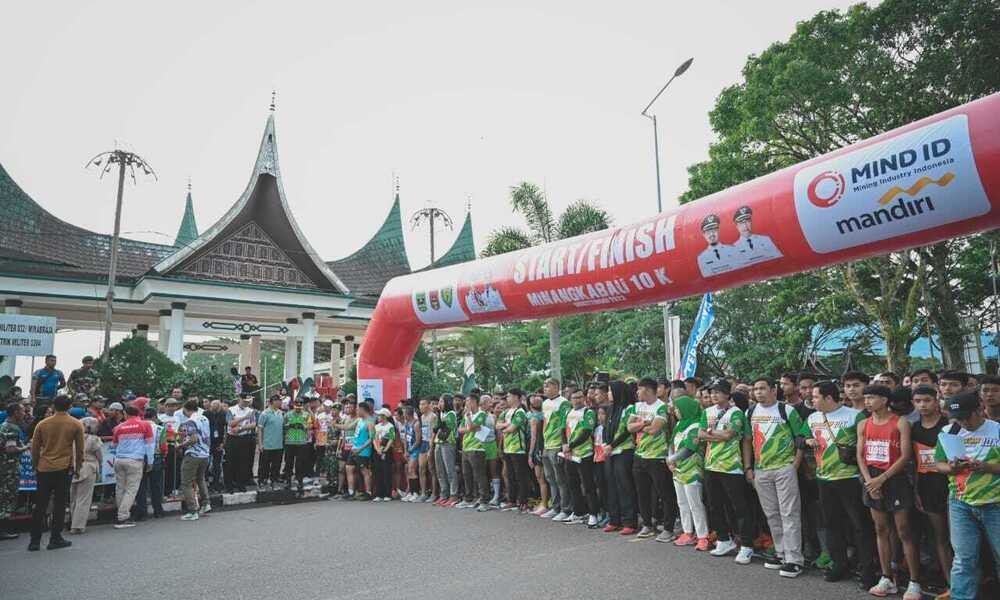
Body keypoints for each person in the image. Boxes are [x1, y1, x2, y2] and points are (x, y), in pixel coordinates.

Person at [806, 380, 877, 589]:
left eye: (816, 396)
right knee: (831, 524)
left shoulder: (855, 416)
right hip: (824, 479)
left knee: (860, 525)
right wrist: (807, 441)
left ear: (829, 397)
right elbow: (801, 437)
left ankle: (867, 569)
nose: (812, 400)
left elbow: (867, 445)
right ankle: (839, 564)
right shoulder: (812, 417)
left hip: (850, 479)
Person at [934, 390, 1000, 600]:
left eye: (966, 417)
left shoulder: (997, 430)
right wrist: (951, 468)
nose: (963, 423)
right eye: (958, 418)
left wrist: (987, 467)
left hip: (995, 503)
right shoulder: (949, 432)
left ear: (979, 409)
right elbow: (939, 463)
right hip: (960, 502)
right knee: (963, 559)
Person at [857, 385, 921, 599]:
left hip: (895, 478)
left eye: (871, 397)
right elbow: (860, 455)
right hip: (872, 479)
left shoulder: (900, 422)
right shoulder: (863, 424)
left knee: (904, 531)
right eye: (866, 397)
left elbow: (905, 456)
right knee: (881, 529)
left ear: (884, 400)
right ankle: (886, 577)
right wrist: (870, 482)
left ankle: (914, 581)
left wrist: (882, 479)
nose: (867, 401)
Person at [745, 377, 805, 577]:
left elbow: (800, 439)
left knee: (789, 513)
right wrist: (748, 467)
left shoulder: (786, 410)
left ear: (773, 390)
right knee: (772, 514)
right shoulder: (750, 412)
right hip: (761, 470)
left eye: (762, 388)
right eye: (755, 389)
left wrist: (794, 465)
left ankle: (794, 559)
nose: (758, 392)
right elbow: (747, 440)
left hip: (784, 469)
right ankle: (781, 553)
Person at [698, 378, 754, 562]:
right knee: (714, 505)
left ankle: (746, 545)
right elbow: (700, 434)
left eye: (717, 392)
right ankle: (724, 539)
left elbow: (730, 434)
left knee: (739, 507)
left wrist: (710, 433)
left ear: (727, 394)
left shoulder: (736, 413)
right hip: (711, 465)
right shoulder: (707, 412)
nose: (713, 395)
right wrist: (716, 435)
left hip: (731, 467)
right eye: (711, 392)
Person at [910, 385, 952, 597]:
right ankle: (951, 584)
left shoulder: (949, 425)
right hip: (927, 486)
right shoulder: (914, 428)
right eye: (918, 401)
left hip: (952, 484)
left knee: (960, 540)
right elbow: (915, 462)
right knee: (940, 537)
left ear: (937, 401)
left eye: (927, 400)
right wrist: (916, 490)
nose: (923, 405)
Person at [29, 394, 83, 551]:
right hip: (64, 468)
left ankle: (34, 541)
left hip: (44, 467)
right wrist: (78, 467)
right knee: (59, 504)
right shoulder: (75, 424)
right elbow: (80, 449)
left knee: (40, 504)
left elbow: (35, 448)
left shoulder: (43, 424)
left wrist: (35, 465)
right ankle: (55, 538)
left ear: (53, 406)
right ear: (70, 406)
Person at [630, 377, 675, 541]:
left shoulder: (661, 407)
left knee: (665, 493)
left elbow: (654, 429)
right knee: (642, 492)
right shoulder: (637, 406)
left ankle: (668, 528)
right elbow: (629, 427)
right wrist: (645, 423)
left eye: (639, 389)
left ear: (648, 390)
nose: (637, 392)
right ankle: (647, 524)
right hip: (640, 455)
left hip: (658, 456)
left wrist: (640, 425)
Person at [666, 393, 709, 550]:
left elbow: (690, 448)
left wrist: (671, 459)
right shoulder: (679, 425)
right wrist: (670, 459)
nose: (676, 412)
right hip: (678, 470)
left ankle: (703, 536)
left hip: (692, 470)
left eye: (678, 409)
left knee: (695, 503)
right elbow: (671, 443)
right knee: (682, 503)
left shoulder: (696, 425)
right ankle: (687, 532)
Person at [110, 404, 154, 529]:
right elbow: (149, 445)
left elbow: (113, 446)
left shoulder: (118, 427)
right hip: (135, 460)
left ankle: (121, 515)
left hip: (119, 460)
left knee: (120, 488)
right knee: (131, 490)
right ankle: (123, 517)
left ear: (125, 414)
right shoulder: (145, 425)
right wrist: (150, 462)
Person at [603, 381, 638, 535]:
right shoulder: (611, 408)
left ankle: (629, 521)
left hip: (624, 450)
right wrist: (606, 444)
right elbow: (607, 428)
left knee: (625, 487)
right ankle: (614, 520)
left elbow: (626, 431)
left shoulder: (629, 408)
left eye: (610, 391)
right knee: (612, 487)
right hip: (610, 451)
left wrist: (612, 445)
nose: (608, 394)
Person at [563, 389, 600, 527]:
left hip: (585, 454)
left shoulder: (588, 412)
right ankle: (579, 512)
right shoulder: (568, 412)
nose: (577, 400)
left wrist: (570, 445)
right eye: (574, 398)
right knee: (573, 485)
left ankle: (593, 514)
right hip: (570, 455)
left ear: (584, 398)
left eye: (579, 397)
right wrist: (565, 446)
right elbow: (563, 430)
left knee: (588, 485)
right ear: (570, 400)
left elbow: (586, 432)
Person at [540, 378, 572, 521]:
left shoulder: (564, 403)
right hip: (547, 445)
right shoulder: (545, 403)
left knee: (561, 479)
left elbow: (565, 425)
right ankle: (556, 507)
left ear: (555, 387)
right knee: (550, 478)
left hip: (557, 444)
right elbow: (545, 424)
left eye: (547, 386)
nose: (545, 388)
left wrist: (563, 444)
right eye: (544, 386)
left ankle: (566, 509)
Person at [176, 400, 211, 521]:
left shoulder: (190, 421)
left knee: (186, 483)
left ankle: (192, 510)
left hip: (193, 454)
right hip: (205, 454)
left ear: (186, 409)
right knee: (200, 479)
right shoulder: (204, 418)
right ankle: (206, 504)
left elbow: (194, 439)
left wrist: (181, 446)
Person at [68, 417, 103, 534]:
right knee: (84, 499)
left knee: (73, 498)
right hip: (88, 467)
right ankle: (78, 526)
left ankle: (73, 522)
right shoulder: (94, 439)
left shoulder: (72, 438)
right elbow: (99, 455)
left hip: (74, 467)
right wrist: (100, 465)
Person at [498, 388, 531, 512]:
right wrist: (506, 425)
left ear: (516, 397)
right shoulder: (506, 412)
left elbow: (512, 428)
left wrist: (505, 428)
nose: (507, 398)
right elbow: (497, 425)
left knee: (520, 477)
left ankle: (523, 501)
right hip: (507, 448)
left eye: (509, 396)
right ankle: (512, 500)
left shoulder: (520, 412)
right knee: (510, 476)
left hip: (518, 449)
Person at [1, 402, 30, 540]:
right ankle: (3, 529)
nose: (24, 414)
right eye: (22, 411)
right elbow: (11, 449)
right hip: (9, 469)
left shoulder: (4, 426)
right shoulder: (12, 428)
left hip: (5, 467)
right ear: (15, 413)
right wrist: (26, 447)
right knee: (7, 498)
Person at [458, 393, 490, 511]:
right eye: (466, 401)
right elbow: (460, 429)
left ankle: (484, 501)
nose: (466, 404)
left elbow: (471, 427)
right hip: (466, 448)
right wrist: (469, 427)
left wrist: (469, 420)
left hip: (477, 448)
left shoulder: (481, 414)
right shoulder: (467, 415)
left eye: (468, 401)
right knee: (467, 474)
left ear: (475, 402)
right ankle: (468, 498)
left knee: (480, 476)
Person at [225, 393, 257, 493]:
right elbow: (230, 423)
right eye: (245, 401)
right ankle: (229, 485)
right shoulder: (231, 410)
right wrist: (244, 417)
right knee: (230, 462)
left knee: (243, 462)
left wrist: (241, 428)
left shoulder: (250, 410)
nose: (247, 403)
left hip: (244, 438)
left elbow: (253, 424)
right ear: (239, 399)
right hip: (232, 439)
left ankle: (241, 483)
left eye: (248, 401)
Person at [283, 396, 313, 494]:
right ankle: (288, 481)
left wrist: (303, 426)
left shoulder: (306, 415)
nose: (298, 406)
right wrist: (289, 425)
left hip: (301, 442)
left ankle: (300, 481)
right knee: (289, 463)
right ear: (293, 405)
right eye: (297, 404)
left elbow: (310, 426)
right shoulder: (287, 414)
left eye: (300, 404)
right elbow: (283, 426)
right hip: (290, 442)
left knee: (300, 463)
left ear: (302, 405)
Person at [257, 395, 285, 490]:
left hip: (279, 444)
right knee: (264, 465)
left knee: (276, 465)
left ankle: (274, 480)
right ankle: (262, 480)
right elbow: (260, 429)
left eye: (280, 401)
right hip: (267, 444)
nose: (280, 402)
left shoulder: (281, 413)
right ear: (273, 402)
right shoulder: (265, 414)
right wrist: (260, 444)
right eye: (279, 401)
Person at [30, 354, 65, 420]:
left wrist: (56, 388)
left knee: (52, 416)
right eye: (51, 360)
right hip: (40, 398)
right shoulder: (38, 372)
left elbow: (63, 384)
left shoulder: (58, 373)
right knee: (38, 416)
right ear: (46, 361)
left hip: (52, 399)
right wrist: (33, 398)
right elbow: (33, 386)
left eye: (55, 361)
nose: (53, 363)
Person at [372, 407, 396, 502]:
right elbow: (374, 438)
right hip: (377, 451)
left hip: (387, 451)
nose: (378, 417)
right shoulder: (377, 426)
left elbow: (391, 439)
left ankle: (387, 494)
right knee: (378, 472)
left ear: (384, 416)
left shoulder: (390, 426)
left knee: (386, 472)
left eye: (379, 416)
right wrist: (377, 448)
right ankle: (379, 494)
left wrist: (385, 450)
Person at [417, 397, 436, 503]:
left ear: (429, 405)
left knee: (432, 469)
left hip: (430, 442)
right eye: (420, 404)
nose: (421, 406)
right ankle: (423, 493)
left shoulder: (433, 416)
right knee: (421, 468)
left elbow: (433, 433)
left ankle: (434, 493)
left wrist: (431, 448)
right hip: (423, 443)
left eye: (423, 404)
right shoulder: (422, 417)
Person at [206, 399, 228, 491]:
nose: (214, 407)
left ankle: (216, 483)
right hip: (207, 443)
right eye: (213, 405)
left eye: (216, 405)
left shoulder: (223, 414)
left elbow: (226, 429)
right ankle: (205, 482)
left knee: (217, 464)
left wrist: (223, 443)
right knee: (206, 464)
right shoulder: (206, 414)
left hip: (218, 443)